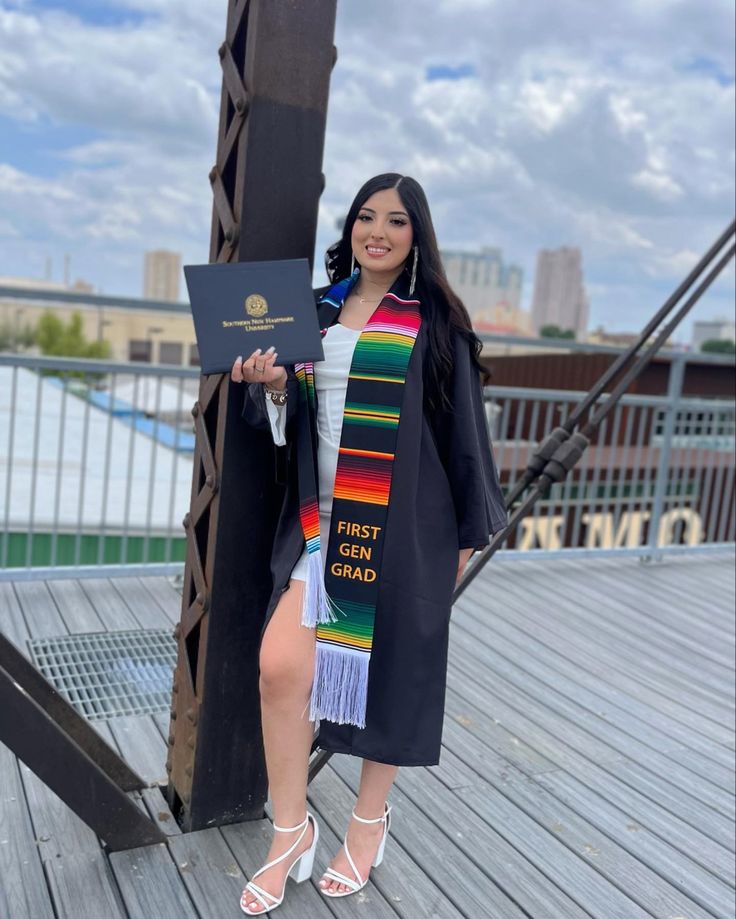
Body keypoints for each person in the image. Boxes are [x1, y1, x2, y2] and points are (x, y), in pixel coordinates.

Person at [232, 173, 507, 914]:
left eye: (395, 220)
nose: (377, 230)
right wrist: (271, 386)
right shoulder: (310, 314)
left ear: (417, 235)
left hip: (405, 530)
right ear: (349, 228)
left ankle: (366, 823)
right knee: (280, 668)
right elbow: (278, 426)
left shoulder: (434, 322)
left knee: (394, 672)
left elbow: (463, 441)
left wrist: (461, 547)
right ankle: (290, 831)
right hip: (323, 523)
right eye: (365, 217)